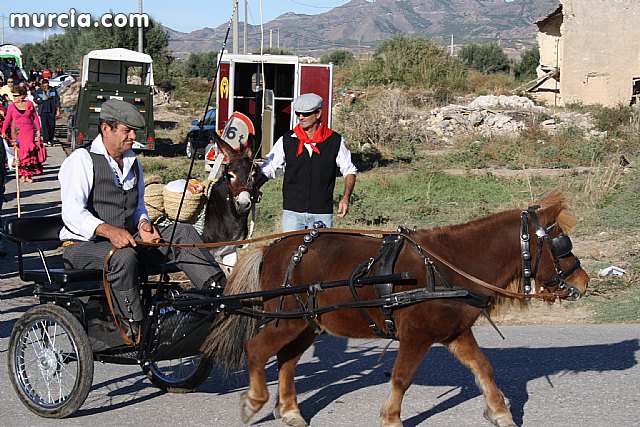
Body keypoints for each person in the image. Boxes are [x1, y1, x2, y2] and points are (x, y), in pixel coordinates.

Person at [58, 99, 227, 340]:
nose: (133, 136)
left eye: (134, 131)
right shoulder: (82, 160)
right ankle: (132, 324)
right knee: (123, 256)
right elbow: (73, 213)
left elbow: (138, 207)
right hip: (82, 246)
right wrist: (110, 231)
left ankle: (219, 296)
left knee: (182, 231)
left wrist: (144, 224)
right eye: (127, 130)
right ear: (106, 128)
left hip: (128, 241)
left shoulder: (132, 162)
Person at [259, 93, 357, 231]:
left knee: (321, 246)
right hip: (292, 212)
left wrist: (345, 198)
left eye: (305, 114)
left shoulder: (335, 141)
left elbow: (349, 170)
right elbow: (269, 167)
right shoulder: (286, 140)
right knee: (290, 246)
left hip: (322, 212)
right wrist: (254, 186)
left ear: (318, 113)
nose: (300, 117)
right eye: (298, 113)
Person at [1, 86, 42, 183]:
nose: (14, 98)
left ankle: (28, 174)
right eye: (13, 96)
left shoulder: (29, 104)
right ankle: (23, 173)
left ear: (22, 96)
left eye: (16, 95)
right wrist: (3, 131)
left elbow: (35, 117)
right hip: (17, 132)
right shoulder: (11, 106)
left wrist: (38, 129)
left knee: (29, 151)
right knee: (20, 153)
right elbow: (7, 120)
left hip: (29, 130)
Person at [34, 79, 60, 146]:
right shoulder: (39, 91)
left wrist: (58, 109)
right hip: (43, 111)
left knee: (52, 126)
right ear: (42, 85)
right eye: (45, 86)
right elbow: (35, 99)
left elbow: (57, 100)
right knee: (44, 126)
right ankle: (45, 140)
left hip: (51, 110)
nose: (46, 87)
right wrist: (41, 100)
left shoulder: (53, 90)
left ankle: (51, 140)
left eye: (47, 85)